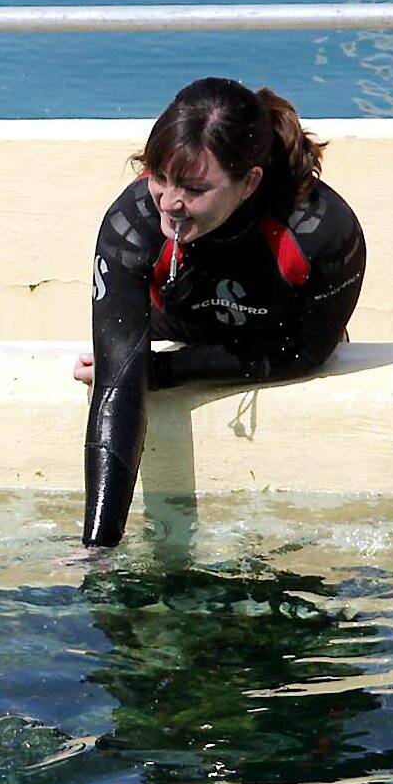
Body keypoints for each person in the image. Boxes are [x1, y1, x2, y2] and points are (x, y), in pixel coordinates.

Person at [77, 77, 366, 547]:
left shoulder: (318, 231)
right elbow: (118, 387)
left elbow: (304, 353)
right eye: (160, 177)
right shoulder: (136, 221)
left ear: (248, 182)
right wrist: (97, 551)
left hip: (274, 338)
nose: (170, 204)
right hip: (178, 326)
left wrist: (165, 368)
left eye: (194, 188)